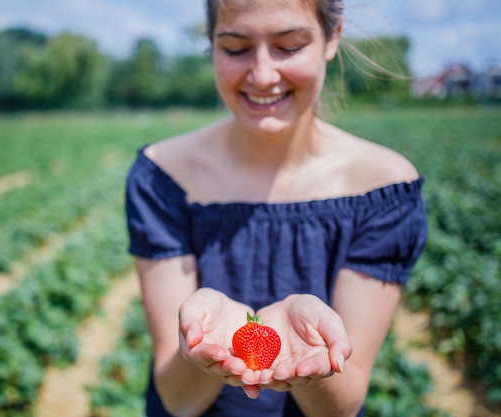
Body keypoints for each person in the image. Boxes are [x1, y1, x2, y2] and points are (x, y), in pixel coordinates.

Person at [125, 0, 428, 416]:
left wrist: (312, 360)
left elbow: (339, 408)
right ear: (211, 44)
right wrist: (198, 348)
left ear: (332, 37)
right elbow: (178, 401)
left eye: (289, 46)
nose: (263, 74)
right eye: (235, 48)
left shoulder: (384, 188)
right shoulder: (163, 178)